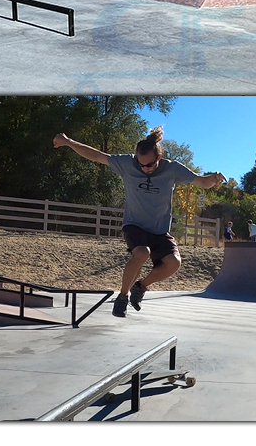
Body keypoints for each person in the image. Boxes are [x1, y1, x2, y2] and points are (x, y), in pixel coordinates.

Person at [53, 126, 226, 318]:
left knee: (174, 263)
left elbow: (202, 182)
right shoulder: (127, 164)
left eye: (149, 166)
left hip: (159, 231)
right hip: (134, 225)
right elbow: (96, 156)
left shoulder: (172, 169)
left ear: (158, 159)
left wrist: (214, 178)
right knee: (142, 253)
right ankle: (123, 297)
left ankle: (141, 287)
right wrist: (68, 142)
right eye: (140, 164)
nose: (144, 169)